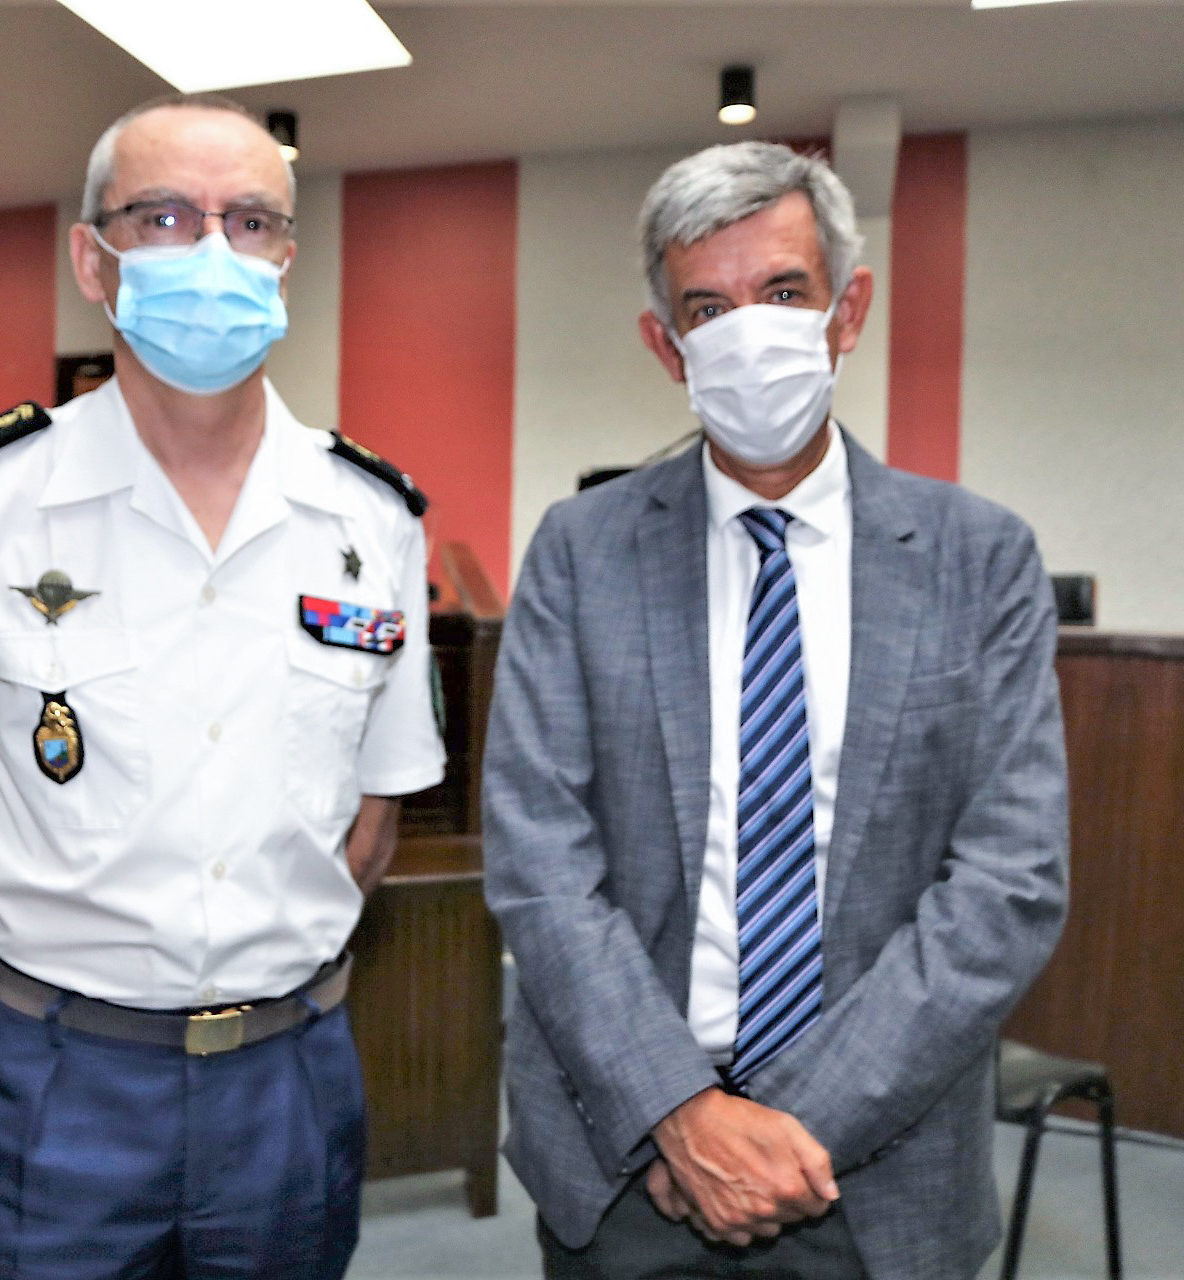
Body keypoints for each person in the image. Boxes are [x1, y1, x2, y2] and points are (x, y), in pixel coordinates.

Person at [0, 94, 444, 1280]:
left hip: (290, 1077)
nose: (212, 252)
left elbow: (372, 823)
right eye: (162, 217)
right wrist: (25, 1002)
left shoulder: (372, 519)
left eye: (250, 221)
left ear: (287, 259)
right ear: (93, 261)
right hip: (57, 1082)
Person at [482, 140, 1069, 1280]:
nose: (746, 330)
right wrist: (684, 1111)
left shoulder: (979, 558)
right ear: (666, 345)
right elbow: (541, 861)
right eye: (708, 306)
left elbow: (1009, 881)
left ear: (848, 313)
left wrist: (780, 1128)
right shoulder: (578, 551)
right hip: (628, 1159)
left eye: (783, 292)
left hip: (874, 1166)